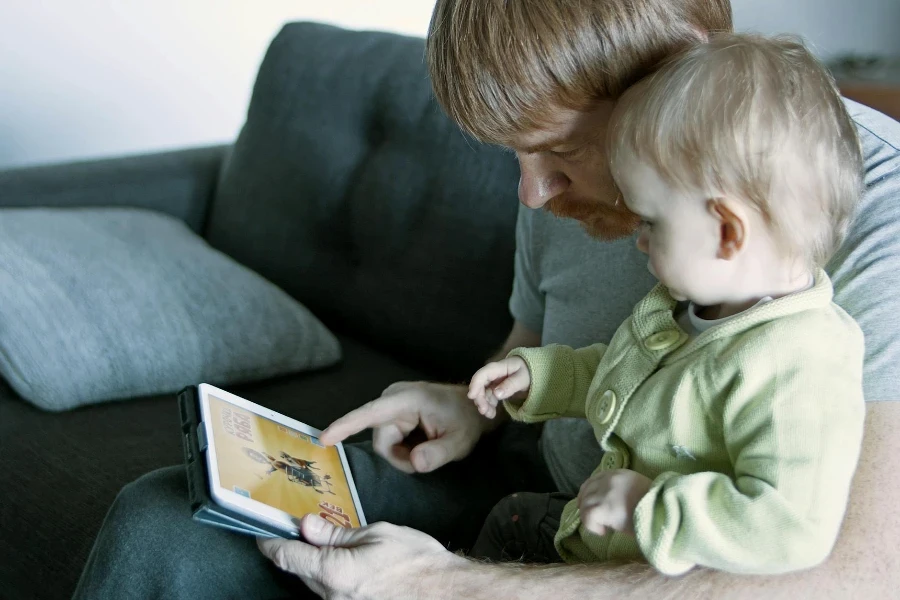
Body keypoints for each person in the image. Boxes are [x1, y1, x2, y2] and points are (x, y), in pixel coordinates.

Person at [74, 1, 900, 598]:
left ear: (673, 65)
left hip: (657, 554)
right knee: (165, 520)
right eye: (512, 155)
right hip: (538, 509)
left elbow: (849, 575)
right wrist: (477, 405)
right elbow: (541, 343)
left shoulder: (858, 215)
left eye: (560, 150)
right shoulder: (557, 193)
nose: (532, 194)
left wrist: (443, 585)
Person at [467, 34, 865, 573]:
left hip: (647, 571)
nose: (640, 240)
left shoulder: (799, 364)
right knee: (505, 519)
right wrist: (539, 377)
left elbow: (788, 525)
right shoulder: (692, 307)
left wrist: (648, 508)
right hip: (588, 532)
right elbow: (624, 377)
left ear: (727, 232)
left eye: (652, 221)